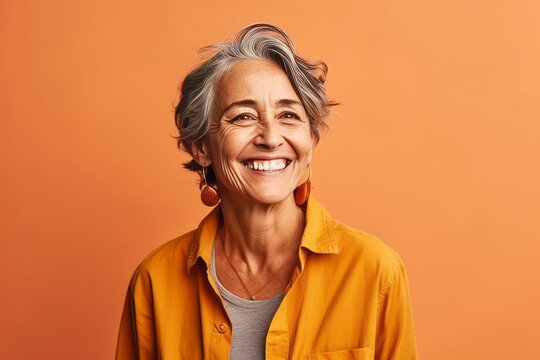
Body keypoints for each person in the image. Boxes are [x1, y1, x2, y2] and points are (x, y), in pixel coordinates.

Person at [115, 24, 417, 360]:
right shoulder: (155, 280)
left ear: (310, 141)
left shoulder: (375, 271)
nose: (271, 138)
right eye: (243, 116)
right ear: (201, 147)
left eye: (289, 115)